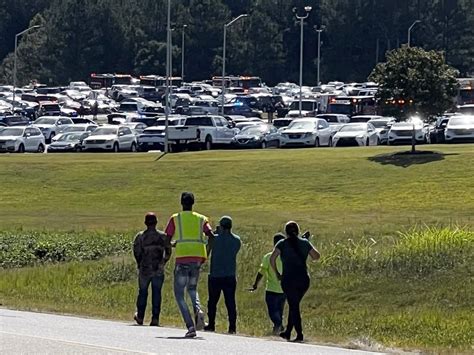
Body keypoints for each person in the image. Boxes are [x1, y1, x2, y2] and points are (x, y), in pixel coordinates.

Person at [165, 192, 215, 338]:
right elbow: (211, 236)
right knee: (192, 288)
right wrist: (207, 252)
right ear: (193, 203)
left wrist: (174, 244)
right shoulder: (201, 219)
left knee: (179, 294)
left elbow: (167, 239)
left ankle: (190, 325)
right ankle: (198, 309)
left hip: (182, 258)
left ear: (181, 202)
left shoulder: (176, 218)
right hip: (197, 258)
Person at [270, 221, 320, 343]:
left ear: (286, 232)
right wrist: (306, 243)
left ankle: (299, 334)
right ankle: (288, 332)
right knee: (294, 304)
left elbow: (272, 258)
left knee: (294, 305)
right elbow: (316, 256)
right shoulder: (304, 243)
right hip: (303, 279)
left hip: (288, 279)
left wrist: (277, 273)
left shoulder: (282, 243)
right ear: (297, 231)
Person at [133, 212, 171, 326]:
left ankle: (140, 316)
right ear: (156, 222)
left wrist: (140, 263)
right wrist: (163, 262)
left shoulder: (140, 236)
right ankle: (155, 318)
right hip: (158, 269)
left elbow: (136, 252)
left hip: (144, 269)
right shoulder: (163, 236)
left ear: (145, 223)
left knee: (143, 292)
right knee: (157, 293)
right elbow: (168, 251)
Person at [204, 216, 241, 334]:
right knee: (230, 302)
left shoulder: (214, 239)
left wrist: (214, 235)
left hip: (215, 275)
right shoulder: (237, 240)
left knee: (212, 302)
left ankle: (211, 324)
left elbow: (207, 252)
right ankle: (232, 327)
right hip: (230, 275)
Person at [250, 233, 286, 335]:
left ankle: (279, 325)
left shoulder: (268, 257)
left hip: (271, 289)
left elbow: (261, 272)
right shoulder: (287, 258)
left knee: (272, 311)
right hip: (284, 290)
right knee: (279, 311)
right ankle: (277, 329)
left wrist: (256, 284)